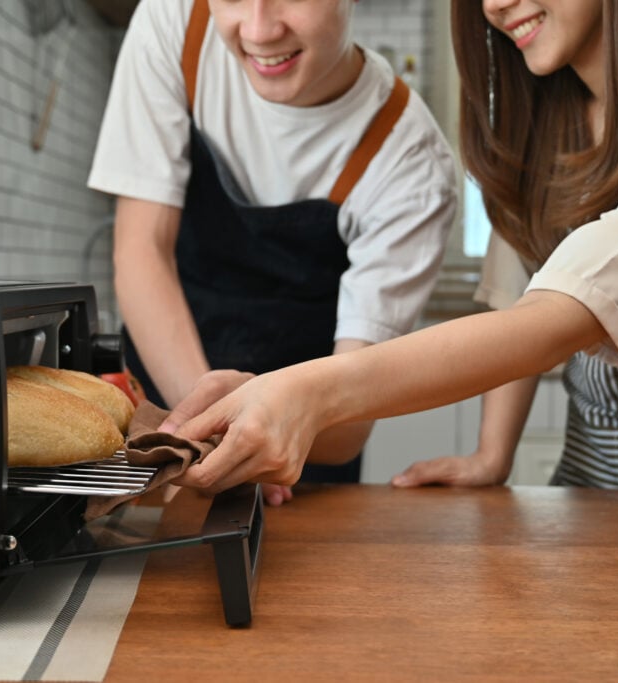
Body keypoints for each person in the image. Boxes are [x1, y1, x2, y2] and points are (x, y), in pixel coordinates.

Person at [157, 0, 618, 494]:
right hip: (587, 469)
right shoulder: (556, 112)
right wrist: (493, 455)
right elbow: (519, 294)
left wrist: (303, 392)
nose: (496, 4)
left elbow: (557, 319)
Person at [87, 0, 457, 491]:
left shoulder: (411, 162)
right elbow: (141, 252)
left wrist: (259, 433)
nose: (260, 30)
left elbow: (350, 422)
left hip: (302, 456)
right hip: (164, 424)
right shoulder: (177, 25)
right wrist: (212, 434)